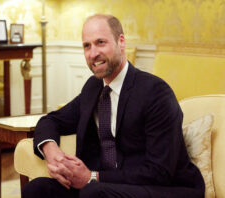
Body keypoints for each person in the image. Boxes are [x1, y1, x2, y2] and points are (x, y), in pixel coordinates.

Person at [22, 14, 205, 198]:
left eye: (100, 42)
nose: (93, 53)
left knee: (92, 192)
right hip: (102, 188)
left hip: (162, 188)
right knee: (36, 189)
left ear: (121, 42)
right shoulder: (93, 88)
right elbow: (51, 120)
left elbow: (160, 172)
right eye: (87, 46)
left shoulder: (156, 92)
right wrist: (52, 152)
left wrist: (92, 177)